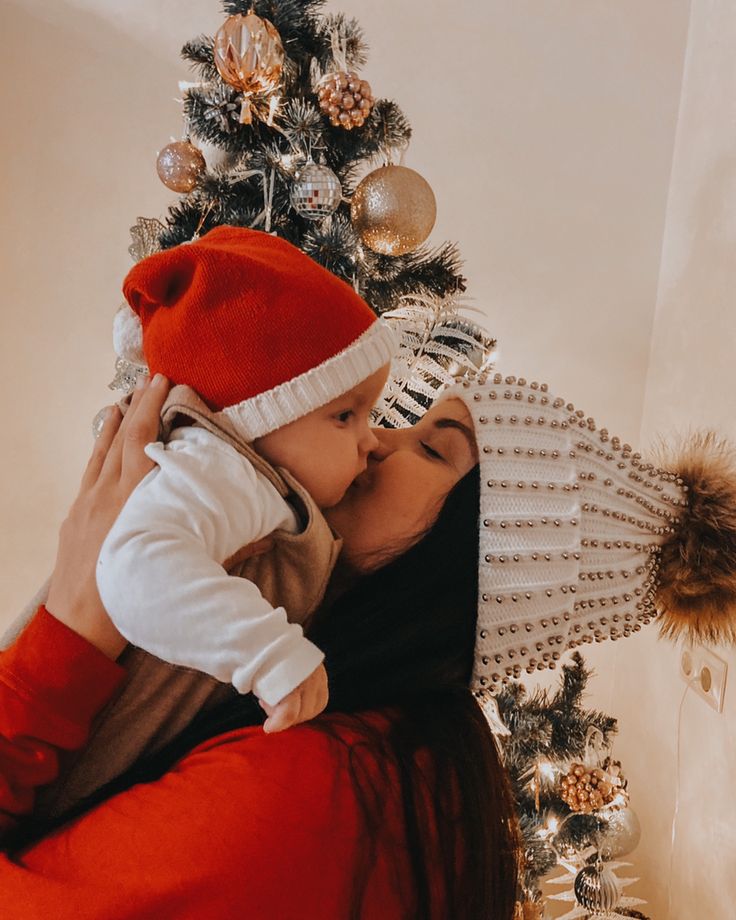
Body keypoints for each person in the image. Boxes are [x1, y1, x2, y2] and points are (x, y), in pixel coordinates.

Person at [1, 367, 734, 919]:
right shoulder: (369, 741)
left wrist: (68, 627)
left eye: (434, 450)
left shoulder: (316, 789)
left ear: (479, 558)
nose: (376, 440)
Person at [95, 225, 397, 734]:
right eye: (346, 416)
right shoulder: (220, 464)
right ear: (259, 415)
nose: (374, 442)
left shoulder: (239, 467)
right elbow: (134, 567)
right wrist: (268, 655)